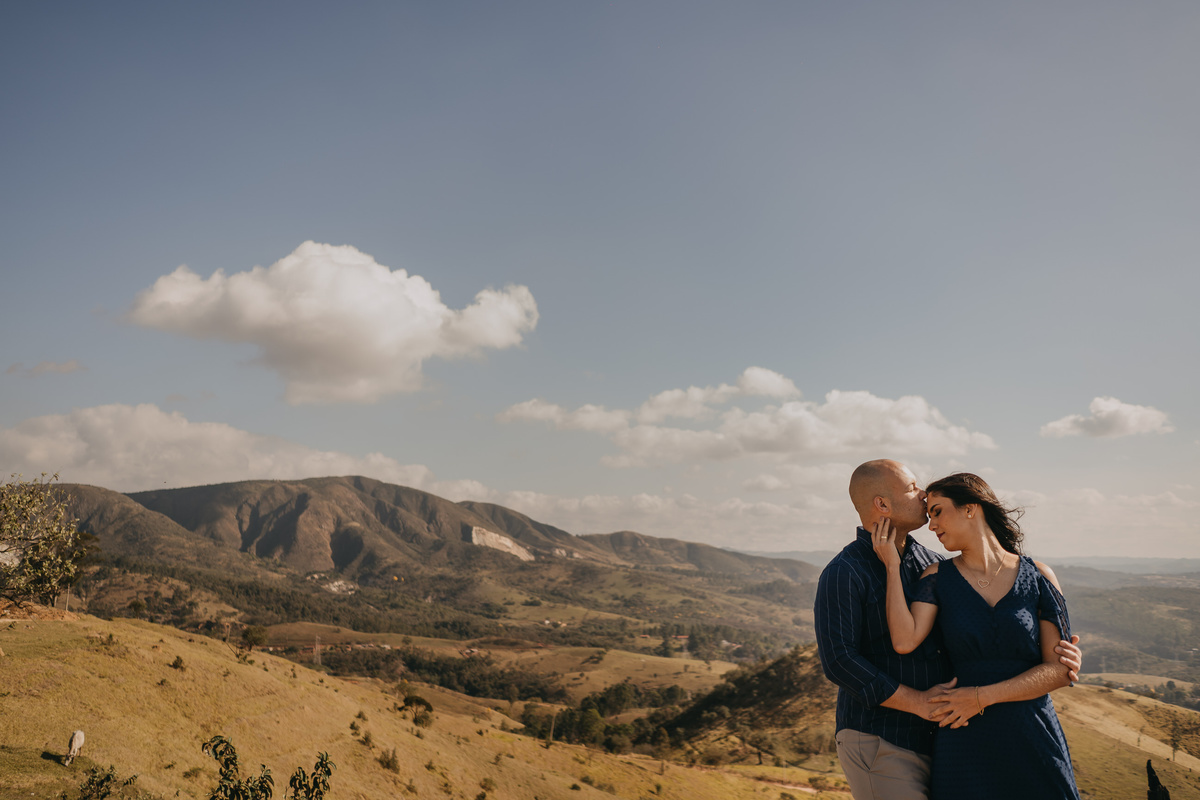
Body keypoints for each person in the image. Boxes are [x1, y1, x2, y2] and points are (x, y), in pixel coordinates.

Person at [815, 460, 1081, 800]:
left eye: (939, 509)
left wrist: (1063, 660)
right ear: (881, 505)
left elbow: (1053, 664)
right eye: (913, 488)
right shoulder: (845, 571)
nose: (923, 496)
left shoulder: (929, 562)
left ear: (970, 509)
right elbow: (840, 661)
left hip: (952, 729)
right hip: (883, 737)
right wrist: (920, 703)